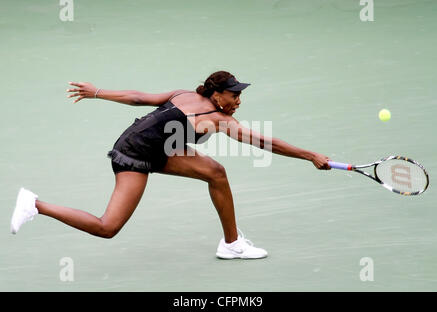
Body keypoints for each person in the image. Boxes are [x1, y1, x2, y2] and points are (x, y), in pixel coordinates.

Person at [10, 71, 331, 259]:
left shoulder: (185, 94)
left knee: (216, 172)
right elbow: (266, 142)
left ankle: (231, 243)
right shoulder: (216, 119)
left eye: (239, 95)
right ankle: (35, 204)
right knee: (108, 227)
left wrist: (96, 92)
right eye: (234, 95)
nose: (238, 101)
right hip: (134, 154)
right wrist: (311, 156)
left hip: (158, 147)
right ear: (217, 95)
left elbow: (139, 98)